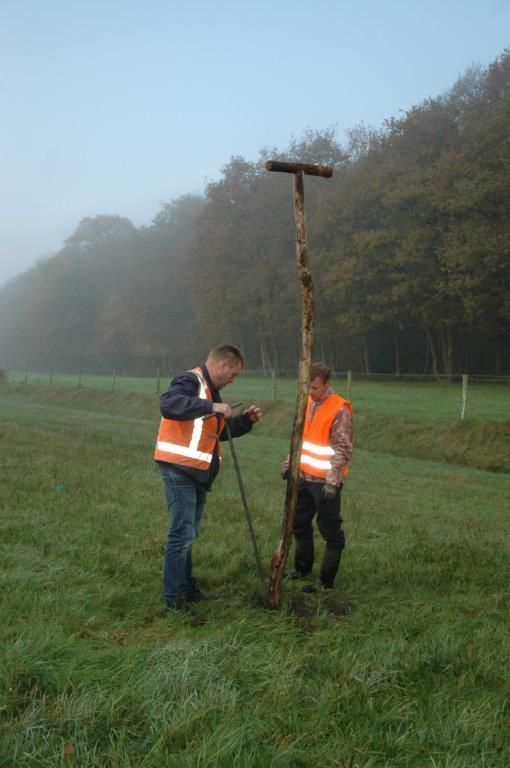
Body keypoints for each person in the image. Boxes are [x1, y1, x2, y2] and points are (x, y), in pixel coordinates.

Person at [154, 344, 262, 610]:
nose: (233, 379)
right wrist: (212, 404)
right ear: (222, 366)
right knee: (181, 533)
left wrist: (245, 421)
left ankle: (185, 587)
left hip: (198, 473)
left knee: (190, 533)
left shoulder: (211, 392)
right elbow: (169, 404)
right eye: (233, 374)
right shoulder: (190, 380)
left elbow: (216, 432)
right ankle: (174, 598)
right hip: (179, 468)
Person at [283, 362, 353, 591]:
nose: (310, 392)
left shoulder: (339, 409)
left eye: (314, 388)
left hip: (325, 483)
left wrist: (333, 482)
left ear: (326, 384)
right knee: (299, 523)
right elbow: (300, 439)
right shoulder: (306, 403)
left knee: (330, 530)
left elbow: (342, 449)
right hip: (303, 477)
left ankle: (325, 581)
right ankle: (302, 568)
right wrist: (289, 464)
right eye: (306, 387)